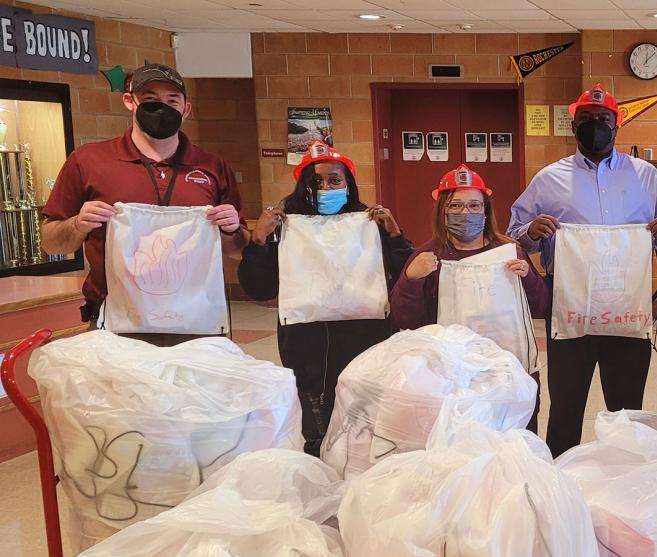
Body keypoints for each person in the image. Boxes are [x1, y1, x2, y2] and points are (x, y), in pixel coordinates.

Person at [507, 84, 657, 455]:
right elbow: (514, 234)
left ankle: (624, 473)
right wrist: (531, 232)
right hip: (570, 308)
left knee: (626, 408)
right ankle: (561, 480)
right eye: (586, 119)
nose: (595, 126)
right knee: (566, 407)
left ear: (617, 126)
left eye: (603, 119)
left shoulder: (646, 176)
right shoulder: (548, 178)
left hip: (627, 308)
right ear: (574, 126)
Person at [40, 63, 247, 344]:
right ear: (130, 101)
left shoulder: (212, 166)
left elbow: (237, 250)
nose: (161, 108)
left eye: (171, 100)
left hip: (198, 325)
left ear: (186, 109)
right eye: (150, 99)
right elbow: (52, 243)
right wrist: (77, 224)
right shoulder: (89, 161)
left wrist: (231, 230)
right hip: (116, 326)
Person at [238, 141, 413, 456]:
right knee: (317, 419)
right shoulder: (284, 225)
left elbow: (405, 276)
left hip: (364, 333)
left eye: (335, 180)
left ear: (348, 184)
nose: (326, 187)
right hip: (307, 339)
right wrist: (260, 239)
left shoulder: (368, 222)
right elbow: (259, 289)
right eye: (316, 181)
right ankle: (321, 478)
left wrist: (394, 235)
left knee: (366, 414)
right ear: (302, 185)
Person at [389, 164, 548, 431]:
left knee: (516, 444)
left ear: (486, 211)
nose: (466, 213)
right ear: (442, 212)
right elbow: (406, 322)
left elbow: (542, 305)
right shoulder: (427, 256)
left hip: (509, 373)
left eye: (475, 206)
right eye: (456, 206)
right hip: (453, 378)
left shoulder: (510, 251)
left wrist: (528, 279)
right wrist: (411, 280)